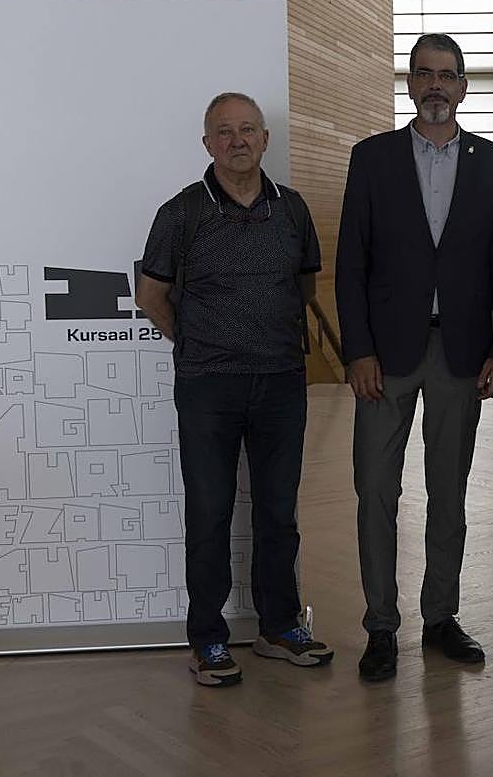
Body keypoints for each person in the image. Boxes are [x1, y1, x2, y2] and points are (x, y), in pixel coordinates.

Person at [336, 33, 493, 682]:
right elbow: (350, 263)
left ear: (463, 87)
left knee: (449, 491)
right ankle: (381, 625)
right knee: (375, 489)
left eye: (447, 75)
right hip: (384, 357)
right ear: (410, 84)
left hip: (461, 353)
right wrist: (357, 350)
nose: (435, 85)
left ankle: (440, 616)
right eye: (424, 74)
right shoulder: (372, 158)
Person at [136, 92, 333, 687]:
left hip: (281, 383)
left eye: (248, 129)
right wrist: (201, 343)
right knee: (210, 513)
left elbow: (303, 288)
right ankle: (208, 639)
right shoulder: (181, 213)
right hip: (208, 387)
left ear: (265, 139)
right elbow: (151, 296)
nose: (237, 140)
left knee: (278, 512)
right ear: (207, 143)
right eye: (224, 131)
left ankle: (279, 627)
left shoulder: (292, 209)